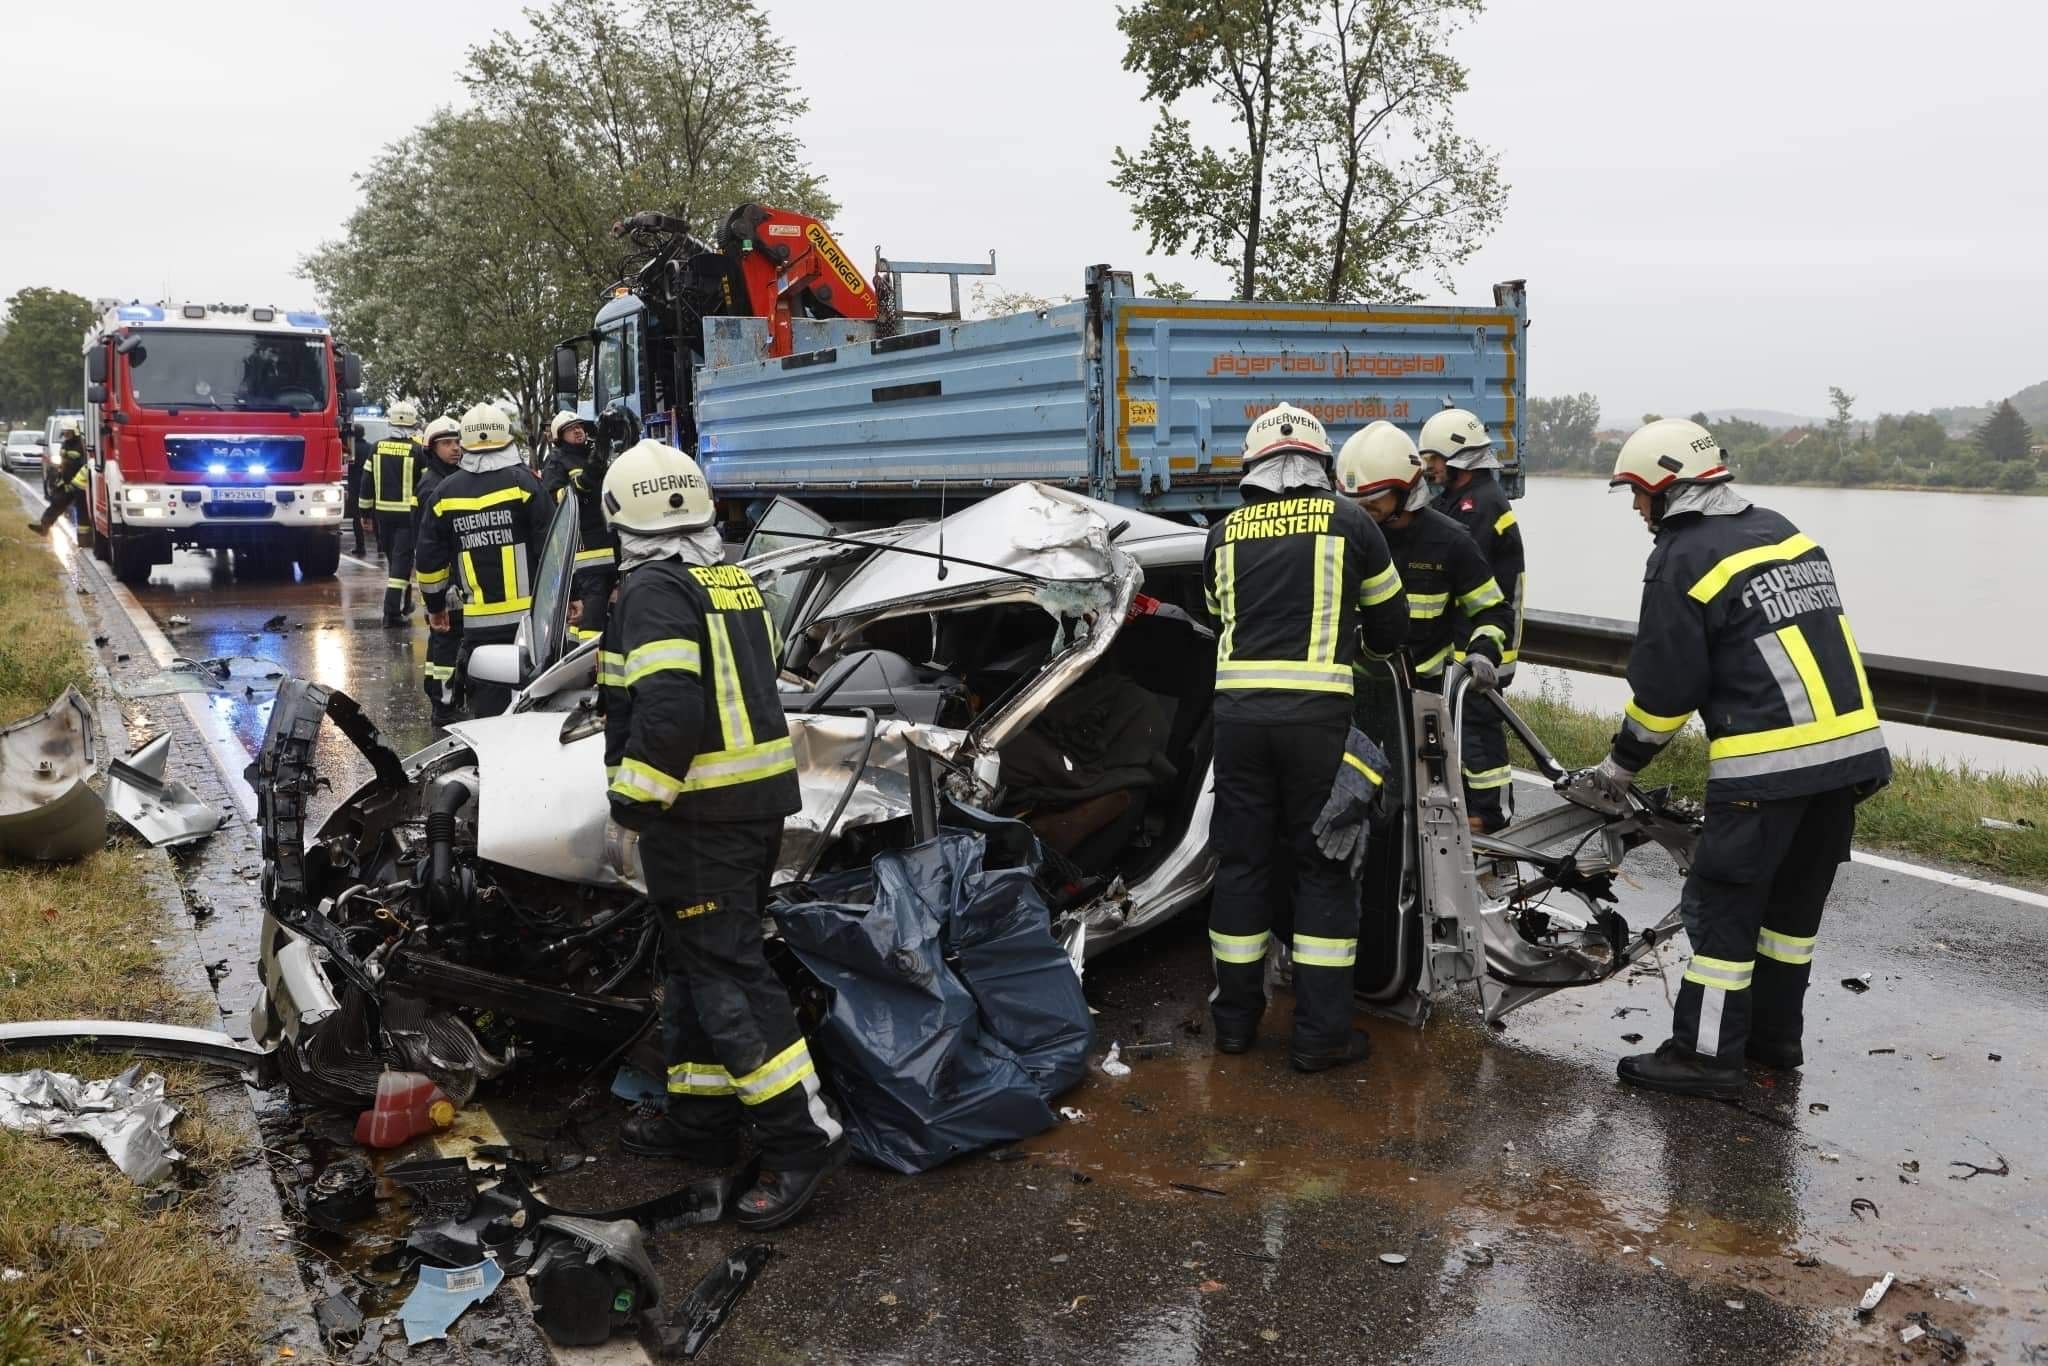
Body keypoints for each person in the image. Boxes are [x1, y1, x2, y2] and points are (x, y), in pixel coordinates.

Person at [1572, 418, 1891, 1099]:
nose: (1637, 509)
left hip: (1766, 771)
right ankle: (1773, 1042)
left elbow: (1667, 691)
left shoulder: (1682, 557)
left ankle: (1705, 1058)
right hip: (1848, 764)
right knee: (1788, 920)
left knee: (1723, 912)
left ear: (1669, 490)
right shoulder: (1785, 531)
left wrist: (1617, 770)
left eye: (1639, 493)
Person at [599, 438, 845, 1230]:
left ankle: (801, 1140)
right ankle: (700, 1122)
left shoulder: (652, 590)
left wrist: (632, 806)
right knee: (697, 968)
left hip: (700, 818)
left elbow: (670, 713)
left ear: (620, 516)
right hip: (745, 809)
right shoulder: (728, 578)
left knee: (730, 981)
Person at [1203, 403, 1407, 1073]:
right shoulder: (1351, 523)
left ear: (1252, 468)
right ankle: (1320, 1038)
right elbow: (1391, 628)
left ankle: (1234, 1026)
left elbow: (1217, 615)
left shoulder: (1222, 534)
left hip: (1237, 723)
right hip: (1316, 725)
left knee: (1241, 865)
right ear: (1322, 465)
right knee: (1323, 867)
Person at [1335, 419, 1514, 742]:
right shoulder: (1347, 538)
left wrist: (1483, 652)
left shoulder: (1451, 542)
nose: (1362, 514)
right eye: (1354, 504)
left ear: (1405, 491)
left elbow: (1493, 611)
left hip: (1425, 696)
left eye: (1372, 503)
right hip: (1357, 692)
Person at [1420, 405, 1527, 832]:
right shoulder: (1464, 499)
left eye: (1435, 459)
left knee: (1478, 724)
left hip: (1486, 641)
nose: (1429, 467)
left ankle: (1490, 811)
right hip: (1471, 637)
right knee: (1465, 722)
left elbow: (1452, 564)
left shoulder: (1479, 506)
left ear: (1458, 457)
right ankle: (1474, 803)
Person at [415, 403, 550, 718]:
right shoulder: (526, 484)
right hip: (530, 620)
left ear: (465, 443)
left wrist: (436, 607)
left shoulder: (444, 493)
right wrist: (572, 595)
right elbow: (549, 543)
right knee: (534, 705)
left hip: (479, 625)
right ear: (507, 438)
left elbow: (429, 560)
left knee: (489, 711)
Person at [538, 411, 617, 641]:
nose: (578, 430)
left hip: (610, 547)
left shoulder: (595, 456)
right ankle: (583, 655)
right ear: (559, 436)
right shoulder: (556, 461)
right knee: (591, 615)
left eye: (579, 426)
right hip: (585, 554)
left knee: (610, 613)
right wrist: (584, 480)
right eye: (570, 428)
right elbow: (557, 500)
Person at [414, 416, 466, 725]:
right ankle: (444, 706)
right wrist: (443, 586)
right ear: (431, 449)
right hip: (443, 578)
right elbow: (431, 545)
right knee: (447, 636)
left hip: (445, 577)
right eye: (447, 443)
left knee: (441, 638)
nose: (455, 448)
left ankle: (438, 694)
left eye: (457, 442)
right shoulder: (432, 487)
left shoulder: (447, 479)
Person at [364, 400, 426, 625]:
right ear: (413, 425)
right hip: (407, 517)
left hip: (383, 516)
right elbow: (425, 486)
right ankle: (391, 613)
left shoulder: (376, 447)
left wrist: (364, 514)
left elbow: (366, 483)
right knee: (402, 563)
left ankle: (405, 604)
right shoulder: (417, 451)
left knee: (395, 562)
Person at [29, 421, 88, 536]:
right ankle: (43, 527)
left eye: (68, 432)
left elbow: (82, 463)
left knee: (83, 511)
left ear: (74, 432)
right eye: (64, 432)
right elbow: (62, 461)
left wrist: (69, 464)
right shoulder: (65, 443)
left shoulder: (81, 445)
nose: (65, 435)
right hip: (66, 481)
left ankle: (85, 537)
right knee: (56, 503)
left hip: (80, 483)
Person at [346, 422, 371, 556]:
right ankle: (380, 545)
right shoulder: (370, 447)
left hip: (355, 487)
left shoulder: (351, 449)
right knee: (374, 516)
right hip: (369, 485)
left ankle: (360, 546)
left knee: (357, 517)